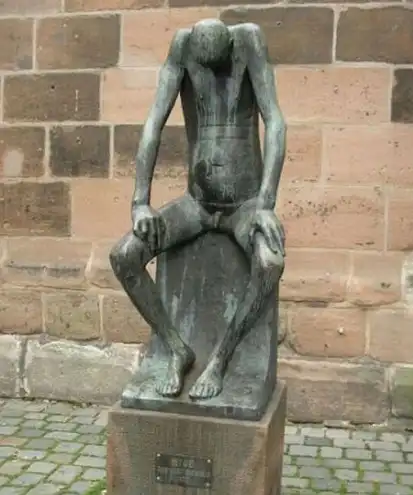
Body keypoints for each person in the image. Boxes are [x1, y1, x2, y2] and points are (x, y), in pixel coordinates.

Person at [110, 18, 286, 400]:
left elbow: (274, 121)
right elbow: (153, 125)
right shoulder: (182, 47)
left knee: (270, 263)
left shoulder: (249, 41)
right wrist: (140, 202)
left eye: (217, 64)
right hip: (197, 203)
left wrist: (266, 204)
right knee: (124, 256)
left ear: (228, 47)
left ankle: (220, 359)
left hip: (244, 206)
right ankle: (177, 348)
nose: (212, 73)